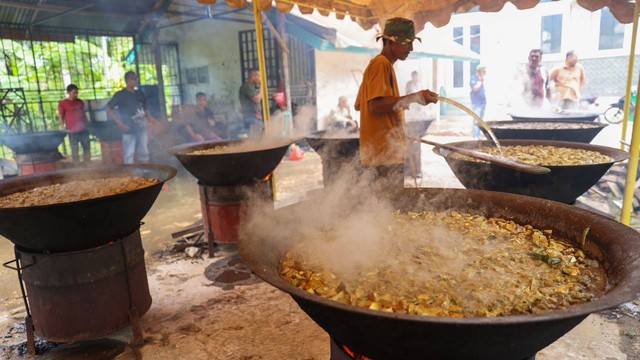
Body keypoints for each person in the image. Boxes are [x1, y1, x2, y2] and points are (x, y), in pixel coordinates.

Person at [355, 17, 438, 190]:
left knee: (383, 211)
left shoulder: (379, 65)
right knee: (388, 211)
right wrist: (414, 97)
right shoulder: (380, 64)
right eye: (407, 43)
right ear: (391, 42)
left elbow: (360, 104)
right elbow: (375, 106)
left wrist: (397, 106)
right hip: (382, 158)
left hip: (381, 155)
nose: (411, 48)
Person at [106, 71, 159, 164]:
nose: (136, 80)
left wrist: (150, 118)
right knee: (129, 153)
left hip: (142, 127)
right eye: (133, 79)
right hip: (128, 128)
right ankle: (130, 175)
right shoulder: (120, 95)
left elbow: (145, 107)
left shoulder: (140, 93)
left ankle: (146, 172)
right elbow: (108, 109)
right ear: (127, 81)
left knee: (144, 151)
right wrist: (120, 124)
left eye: (136, 78)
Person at [58, 84, 91, 166]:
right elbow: (60, 116)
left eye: (77, 93)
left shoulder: (80, 102)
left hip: (83, 129)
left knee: (86, 146)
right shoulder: (63, 103)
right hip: (72, 131)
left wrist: (87, 124)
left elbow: (84, 113)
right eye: (74, 93)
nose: (76, 94)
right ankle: (77, 165)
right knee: (74, 149)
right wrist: (62, 127)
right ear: (68, 92)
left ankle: (87, 162)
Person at [238, 69, 263, 136]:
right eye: (259, 76)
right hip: (252, 117)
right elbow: (256, 99)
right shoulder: (248, 86)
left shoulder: (249, 87)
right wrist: (262, 89)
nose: (260, 79)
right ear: (253, 77)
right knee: (255, 139)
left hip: (251, 116)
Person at [469, 65, 487, 139]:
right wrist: (480, 81)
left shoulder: (481, 79)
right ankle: (476, 136)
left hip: (483, 102)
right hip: (476, 103)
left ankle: (478, 135)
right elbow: (475, 89)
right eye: (484, 72)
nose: (485, 74)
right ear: (480, 71)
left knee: (481, 120)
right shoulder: (473, 78)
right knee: (476, 119)